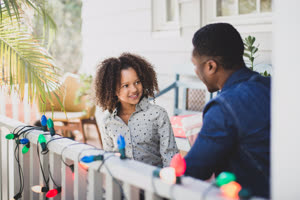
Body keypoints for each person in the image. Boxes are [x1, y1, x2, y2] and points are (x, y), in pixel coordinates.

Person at [185, 23, 270, 198]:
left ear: (210, 66)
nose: (195, 71)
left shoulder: (224, 107)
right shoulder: (270, 86)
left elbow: (194, 170)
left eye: (195, 65)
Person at [94, 53, 178, 167]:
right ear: (112, 89)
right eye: (125, 85)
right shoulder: (107, 121)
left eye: (137, 82)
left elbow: (170, 156)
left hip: (153, 181)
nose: (134, 89)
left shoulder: (158, 114)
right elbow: (110, 159)